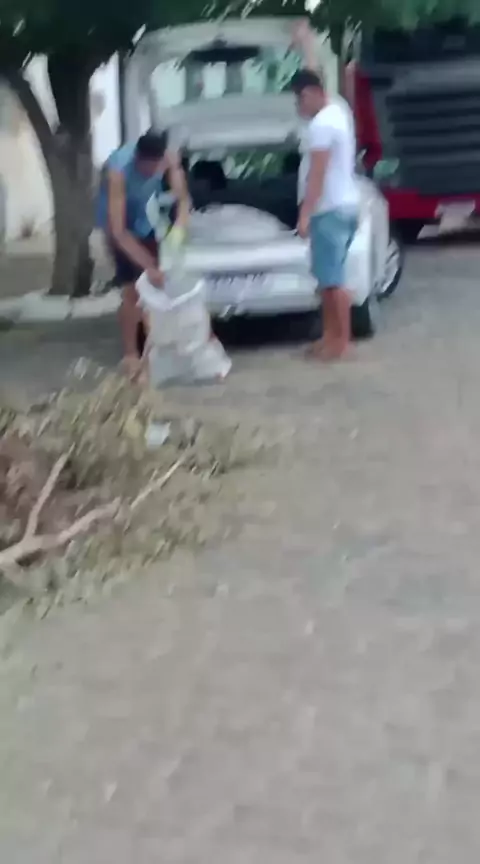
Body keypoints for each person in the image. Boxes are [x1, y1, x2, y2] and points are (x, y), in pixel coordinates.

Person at [291, 23, 359, 361]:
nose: (298, 106)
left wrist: (304, 215)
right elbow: (315, 74)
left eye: (300, 99)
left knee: (332, 282)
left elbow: (316, 175)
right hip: (342, 206)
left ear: (312, 95)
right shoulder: (337, 109)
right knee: (326, 279)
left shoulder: (321, 125)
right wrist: (307, 45)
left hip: (328, 210)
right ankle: (330, 336)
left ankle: (340, 342)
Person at [97, 130, 190, 375]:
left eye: (156, 167)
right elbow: (119, 231)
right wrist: (149, 266)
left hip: (147, 219)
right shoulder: (118, 171)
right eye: (147, 168)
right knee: (133, 291)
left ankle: (153, 354)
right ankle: (130, 355)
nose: (152, 172)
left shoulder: (169, 159)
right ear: (137, 158)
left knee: (156, 290)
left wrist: (179, 229)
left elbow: (182, 201)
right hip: (118, 222)